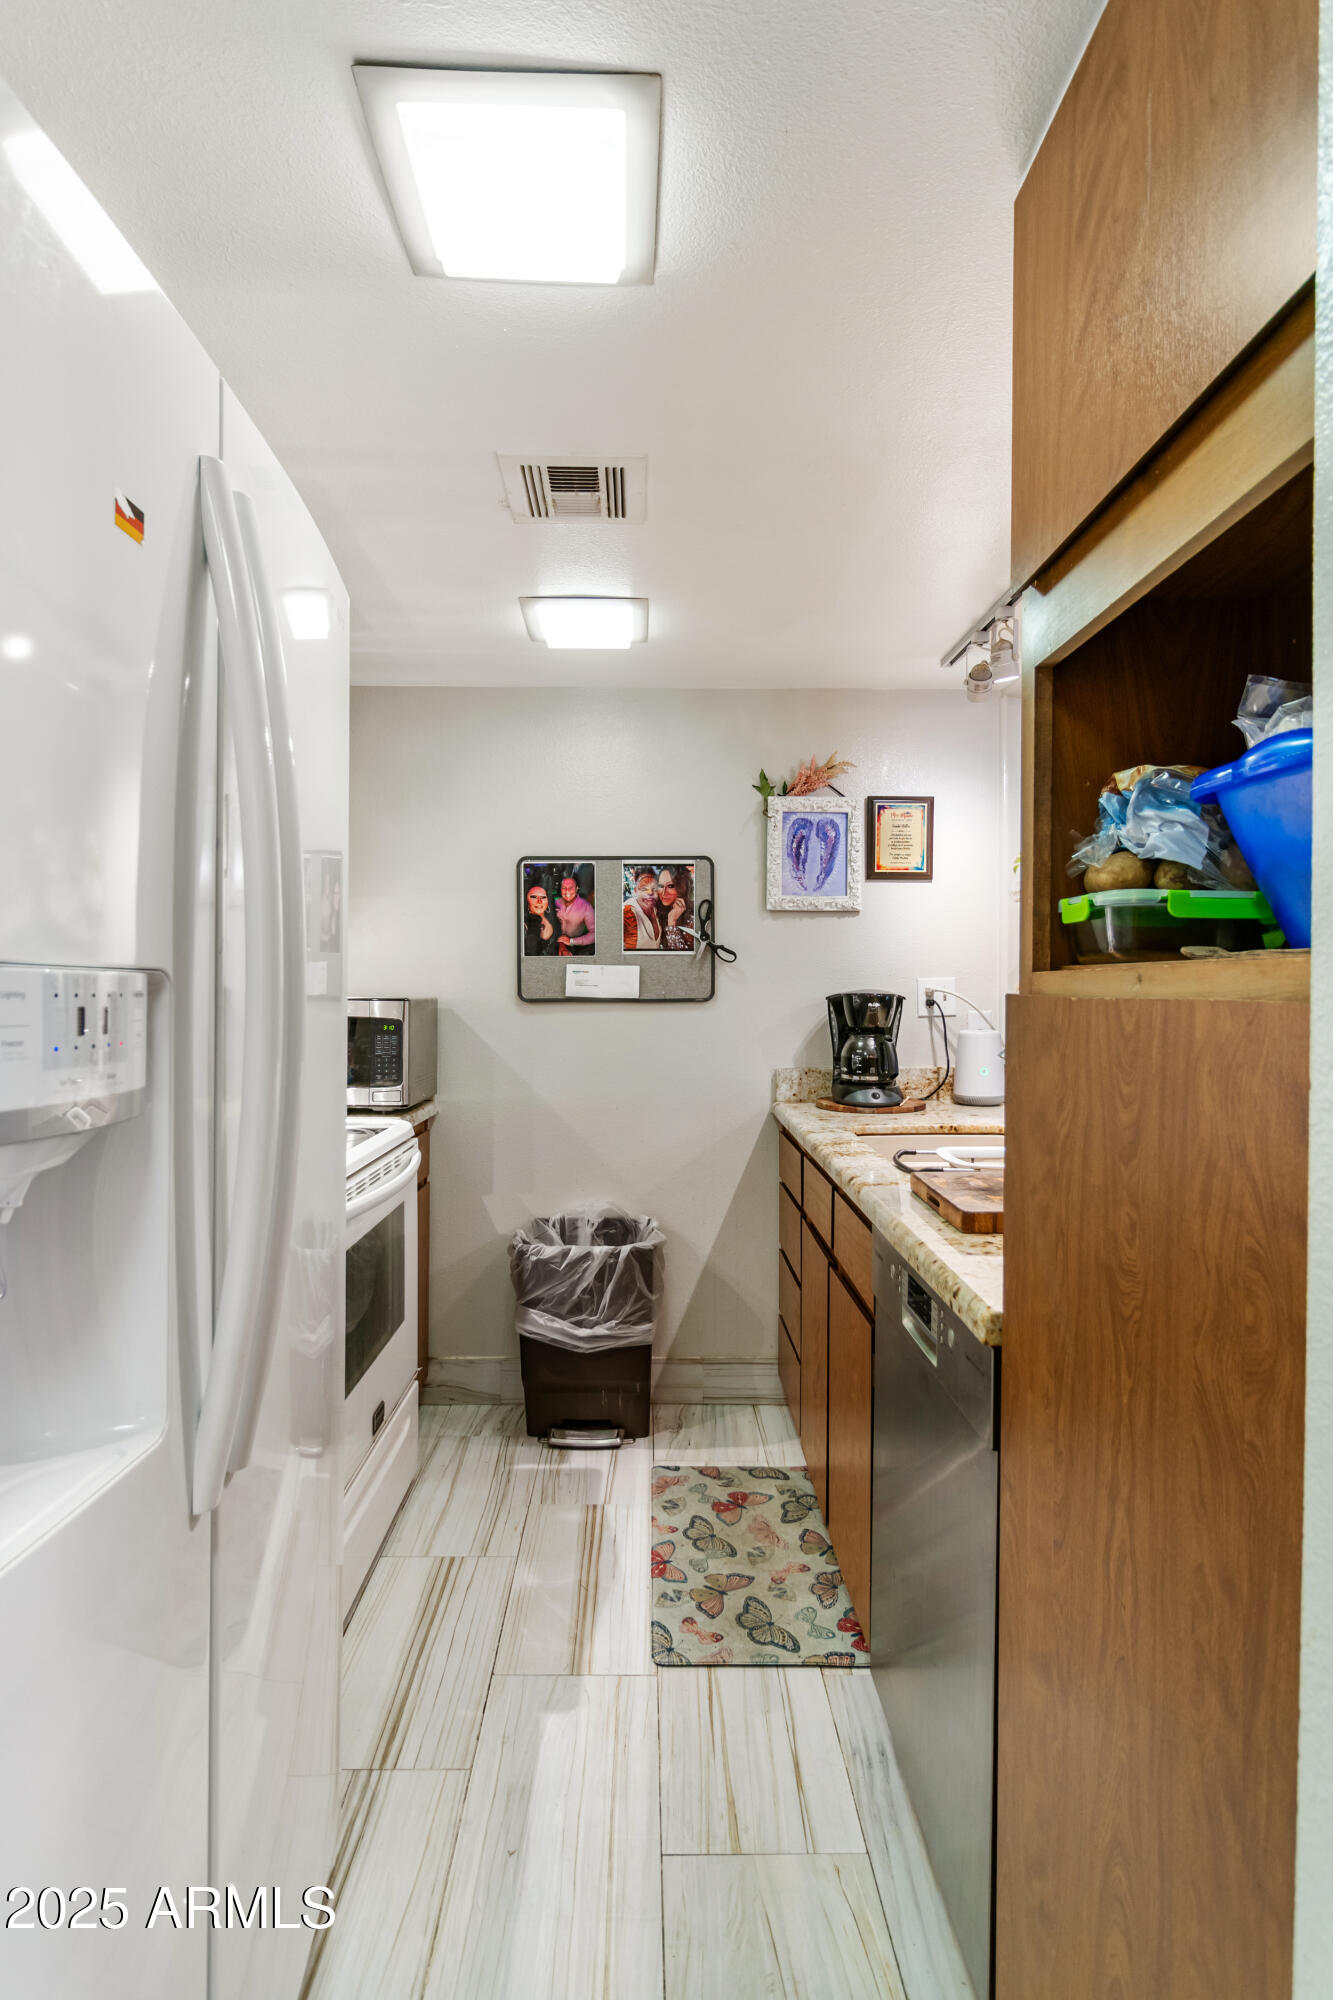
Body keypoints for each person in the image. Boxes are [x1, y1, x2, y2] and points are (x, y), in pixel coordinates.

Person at [555, 870, 596, 953]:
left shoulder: (586, 907)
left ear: (577, 888)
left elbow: (595, 934)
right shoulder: (556, 903)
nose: (567, 891)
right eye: (564, 888)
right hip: (557, 944)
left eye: (571, 888)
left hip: (577, 947)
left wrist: (572, 941)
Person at [623, 867, 661, 950]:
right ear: (636, 890)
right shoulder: (627, 911)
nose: (650, 893)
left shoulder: (655, 909)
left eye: (653, 886)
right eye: (644, 887)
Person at [657, 865, 694, 950]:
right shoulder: (657, 910)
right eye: (661, 886)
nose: (663, 893)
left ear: (682, 888)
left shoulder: (693, 917)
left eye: (670, 886)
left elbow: (680, 958)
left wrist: (672, 922)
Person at [523, 880, 559, 956]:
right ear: (527, 901)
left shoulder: (555, 918)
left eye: (543, 897)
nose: (539, 901)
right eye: (534, 897)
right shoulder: (523, 925)